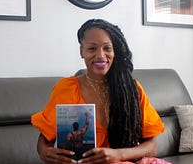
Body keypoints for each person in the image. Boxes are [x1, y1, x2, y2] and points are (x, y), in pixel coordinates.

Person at [31, 19, 165, 164]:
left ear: (115, 52)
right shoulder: (66, 89)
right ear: (81, 51)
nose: (101, 55)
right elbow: (44, 141)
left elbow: (152, 146)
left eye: (107, 48)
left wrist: (117, 155)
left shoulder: (132, 90)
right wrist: (45, 152)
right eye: (92, 49)